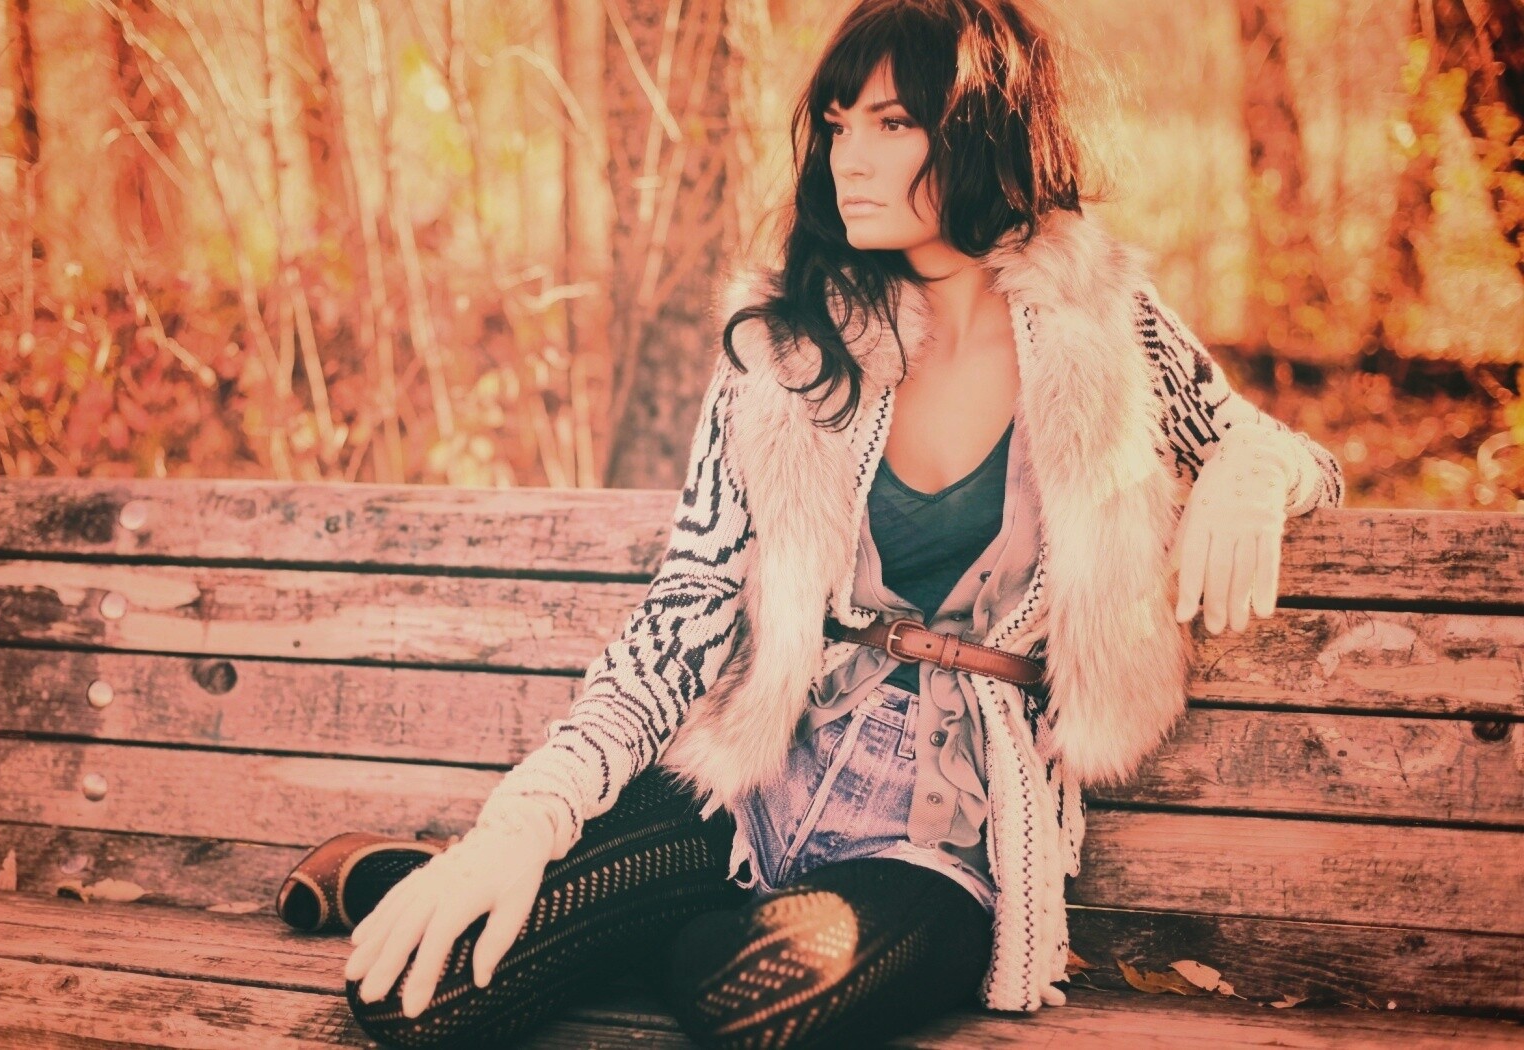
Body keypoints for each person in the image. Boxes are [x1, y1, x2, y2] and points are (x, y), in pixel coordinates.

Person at [276, 0, 1346, 1046]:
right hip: (751, 782)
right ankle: (502, 887)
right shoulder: (788, 342)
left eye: (892, 123)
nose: (849, 160)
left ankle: (575, 915)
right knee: (414, 1003)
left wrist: (1251, 475)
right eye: (837, 126)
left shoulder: (1102, 324)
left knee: (764, 1003)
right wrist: (523, 827)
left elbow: (1295, 456)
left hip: (936, 835)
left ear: (983, 130)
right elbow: (689, 603)